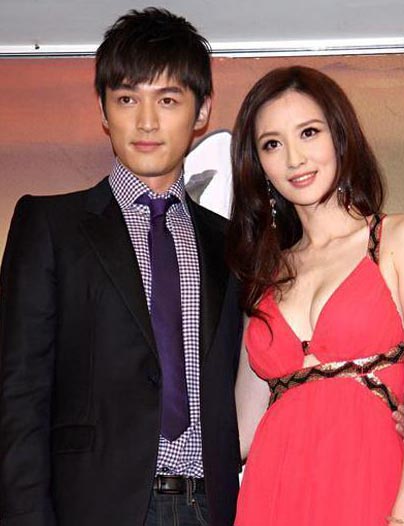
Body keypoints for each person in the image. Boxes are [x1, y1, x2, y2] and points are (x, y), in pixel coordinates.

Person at [0, 8, 243, 526]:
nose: (146, 122)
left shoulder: (231, 243)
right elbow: (18, 394)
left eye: (168, 100)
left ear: (202, 110)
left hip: (212, 506)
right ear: (105, 111)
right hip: (93, 507)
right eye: (128, 99)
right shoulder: (51, 226)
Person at [227, 65, 404, 526]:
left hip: (369, 487)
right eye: (272, 144)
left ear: (340, 136)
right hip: (271, 493)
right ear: (258, 164)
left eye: (309, 132)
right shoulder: (264, 276)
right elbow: (240, 430)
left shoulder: (399, 240)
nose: (294, 158)